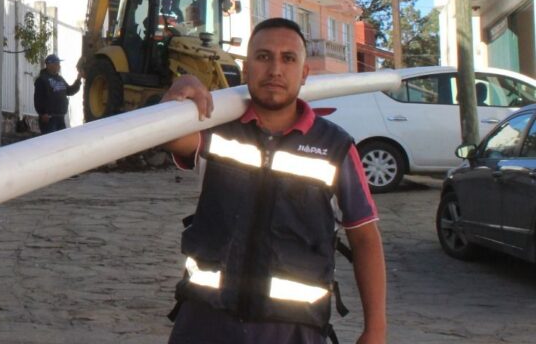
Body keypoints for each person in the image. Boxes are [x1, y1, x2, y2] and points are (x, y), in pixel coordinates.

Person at [159, 17, 387, 344]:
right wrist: (179, 94)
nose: (275, 69)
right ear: (247, 68)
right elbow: (171, 138)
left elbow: (365, 238)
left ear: (304, 73)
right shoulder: (217, 128)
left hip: (292, 329)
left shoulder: (335, 147)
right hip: (205, 322)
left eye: (288, 58)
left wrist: (375, 329)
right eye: (263, 57)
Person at [33, 54, 82, 134]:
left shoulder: (60, 79)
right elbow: (38, 98)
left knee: (62, 142)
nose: (59, 66)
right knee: (50, 143)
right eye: (57, 63)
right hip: (49, 118)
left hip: (60, 117)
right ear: (49, 64)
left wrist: (78, 80)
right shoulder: (42, 80)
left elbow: (70, 91)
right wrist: (42, 113)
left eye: (59, 64)